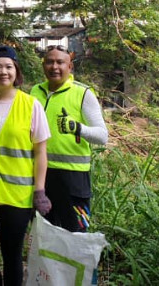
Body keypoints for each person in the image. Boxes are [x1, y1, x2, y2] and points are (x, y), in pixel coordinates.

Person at [0, 46, 52, 286]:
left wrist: (39, 190)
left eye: (8, 66)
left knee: (12, 255)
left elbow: (40, 151)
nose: (3, 72)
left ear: (16, 71)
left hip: (18, 197)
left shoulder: (31, 105)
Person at [30, 46, 108, 232]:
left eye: (60, 62)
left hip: (74, 179)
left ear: (70, 67)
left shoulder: (82, 93)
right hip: (41, 177)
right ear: (43, 66)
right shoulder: (35, 92)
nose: (54, 67)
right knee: (44, 235)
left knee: (76, 235)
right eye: (49, 62)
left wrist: (77, 128)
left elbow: (102, 136)